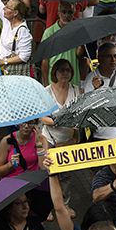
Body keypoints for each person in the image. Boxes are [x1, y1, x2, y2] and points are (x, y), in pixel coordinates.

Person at [40, 59, 80, 215]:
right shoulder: (46, 91)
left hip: (68, 139)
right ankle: (48, 207)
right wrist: (58, 121)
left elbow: (79, 114)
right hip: (49, 138)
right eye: (61, 70)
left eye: (68, 70)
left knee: (67, 174)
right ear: (54, 72)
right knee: (49, 173)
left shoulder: (77, 91)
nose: (65, 73)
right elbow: (42, 117)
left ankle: (65, 204)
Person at [82, 42, 116, 139]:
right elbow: (88, 108)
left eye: (115, 56)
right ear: (99, 59)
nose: (113, 60)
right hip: (102, 134)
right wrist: (95, 90)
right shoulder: (91, 79)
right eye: (108, 56)